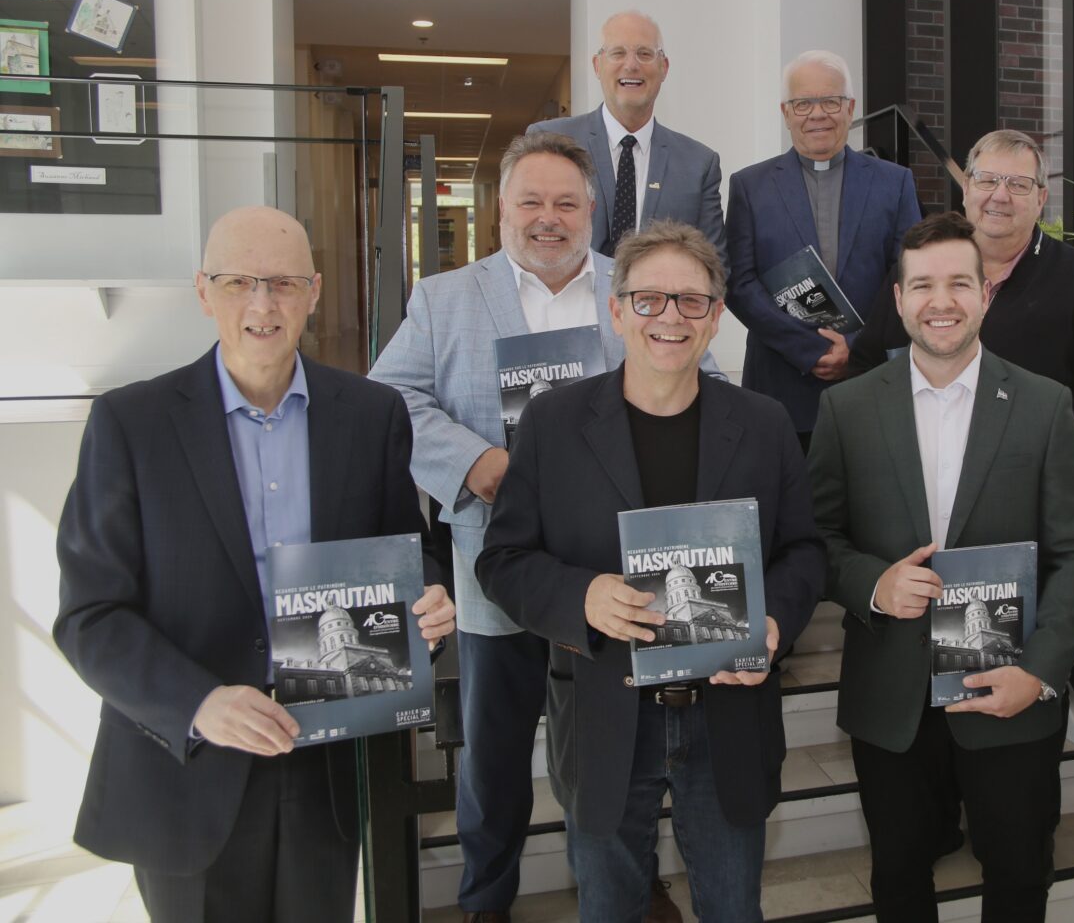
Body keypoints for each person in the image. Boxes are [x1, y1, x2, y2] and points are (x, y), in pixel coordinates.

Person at [54, 207, 455, 923]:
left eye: (283, 283)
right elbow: (91, 616)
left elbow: (408, 548)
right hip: (190, 766)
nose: (263, 305)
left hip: (325, 755)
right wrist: (200, 705)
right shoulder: (131, 424)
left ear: (315, 291)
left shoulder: (371, 415)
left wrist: (429, 597)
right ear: (204, 292)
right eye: (239, 282)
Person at [369, 132, 721, 923]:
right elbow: (388, 401)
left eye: (566, 203)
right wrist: (477, 466)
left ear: (593, 210)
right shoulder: (444, 299)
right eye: (530, 201)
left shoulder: (631, 289)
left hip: (614, 583)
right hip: (497, 576)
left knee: (613, 760)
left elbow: (705, 380)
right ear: (502, 208)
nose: (548, 218)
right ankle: (485, 902)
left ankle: (621, 886)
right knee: (492, 767)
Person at [476, 221, 826, 922]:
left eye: (692, 301)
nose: (671, 317)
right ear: (616, 309)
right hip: (606, 713)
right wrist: (581, 596)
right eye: (649, 300)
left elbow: (806, 551)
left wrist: (776, 622)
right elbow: (503, 562)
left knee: (734, 910)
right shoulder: (550, 424)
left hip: (728, 713)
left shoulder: (762, 423)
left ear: (716, 315)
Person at [807, 212, 1074, 921]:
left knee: (1019, 877)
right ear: (901, 299)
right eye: (924, 285)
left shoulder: (1043, 405)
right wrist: (872, 584)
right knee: (901, 881)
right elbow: (815, 538)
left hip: (1010, 689)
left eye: (959, 283)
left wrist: (1039, 672)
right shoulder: (846, 409)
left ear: (985, 295)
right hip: (892, 699)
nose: (942, 301)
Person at [848, 128, 1074, 462]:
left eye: (1018, 184)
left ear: (1041, 199)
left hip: (1026, 487)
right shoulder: (917, 269)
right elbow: (866, 366)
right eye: (987, 180)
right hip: (914, 474)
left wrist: (1041, 464)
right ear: (967, 188)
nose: (1000, 195)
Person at [726, 49, 922, 448]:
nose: (817, 114)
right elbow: (738, 284)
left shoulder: (895, 183)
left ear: (850, 109)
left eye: (830, 101)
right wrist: (809, 349)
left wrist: (855, 348)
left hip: (869, 383)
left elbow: (909, 275)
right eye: (803, 103)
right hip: (780, 387)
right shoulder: (750, 186)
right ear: (785, 112)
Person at [529, 9, 725, 265]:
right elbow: (527, 241)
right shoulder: (549, 142)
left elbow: (714, 266)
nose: (631, 65)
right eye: (618, 53)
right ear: (597, 66)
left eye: (645, 54)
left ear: (663, 68)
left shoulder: (698, 164)